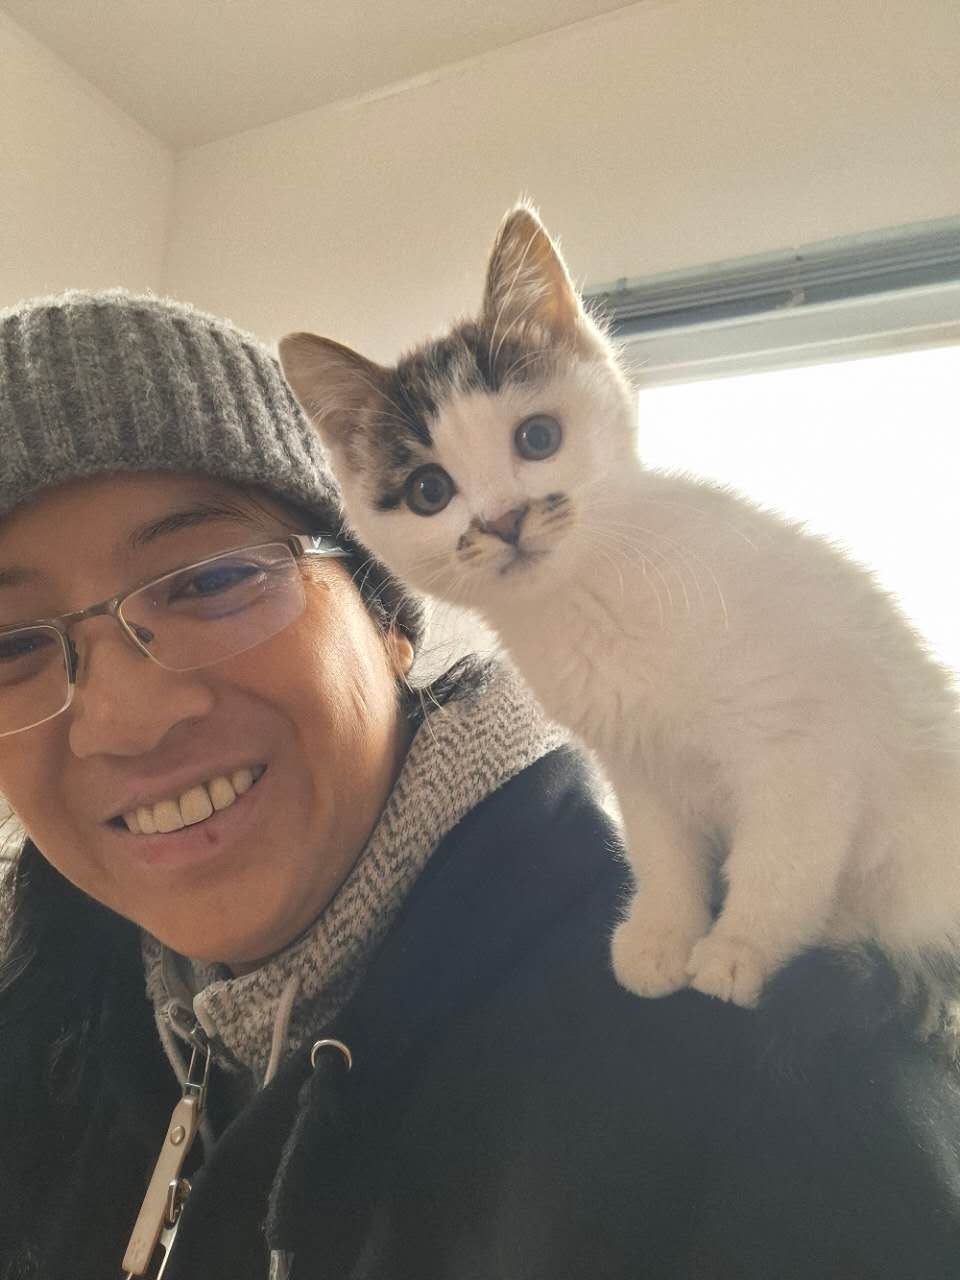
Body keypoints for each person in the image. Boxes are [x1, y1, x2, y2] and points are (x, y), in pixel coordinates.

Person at [0, 290, 958, 1280]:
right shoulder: (54, 1023)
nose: (126, 718)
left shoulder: (766, 1070)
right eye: (12, 645)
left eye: (210, 579)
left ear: (387, 618)